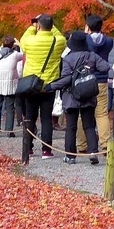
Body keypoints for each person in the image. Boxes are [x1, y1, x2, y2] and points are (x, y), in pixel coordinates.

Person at [47, 30, 111, 164]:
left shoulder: (68, 59)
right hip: (88, 94)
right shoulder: (92, 56)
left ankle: (70, 156)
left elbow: (66, 78)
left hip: (72, 96)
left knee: (71, 127)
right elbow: (105, 67)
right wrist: (89, 71)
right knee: (89, 125)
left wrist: (51, 86)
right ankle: (93, 152)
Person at [20, 14, 67, 157]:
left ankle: (28, 148)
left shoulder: (29, 41)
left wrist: (33, 25)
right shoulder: (58, 41)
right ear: (52, 26)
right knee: (46, 118)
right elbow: (58, 34)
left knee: (30, 116)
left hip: (31, 84)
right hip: (48, 85)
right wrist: (50, 25)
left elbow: (23, 39)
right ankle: (46, 150)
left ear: (38, 26)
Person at [77, 15, 114, 156]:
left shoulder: (85, 40)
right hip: (102, 80)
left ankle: (82, 144)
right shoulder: (109, 42)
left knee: (84, 112)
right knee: (102, 113)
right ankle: (105, 145)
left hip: (85, 80)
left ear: (88, 27)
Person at [0, 36, 23, 137]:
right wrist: (19, 44)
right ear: (12, 44)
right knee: (10, 108)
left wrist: (3, 44)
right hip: (9, 84)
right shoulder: (15, 55)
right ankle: (9, 130)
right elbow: (24, 54)